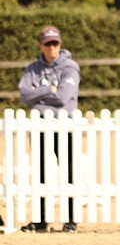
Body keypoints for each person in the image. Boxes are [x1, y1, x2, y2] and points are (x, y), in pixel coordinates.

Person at [18, 25, 80, 232]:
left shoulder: (71, 67)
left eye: (55, 43)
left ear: (60, 44)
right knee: (41, 173)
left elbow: (64, 97)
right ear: (41, 45)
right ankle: (41, 219)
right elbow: (25, 95)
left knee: (69, 170)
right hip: (40, 126)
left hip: (65, 126)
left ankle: (71, 219)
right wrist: (49, 89)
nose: (52, 47)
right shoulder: (32, 69)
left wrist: (39, 95)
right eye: (47, 44)